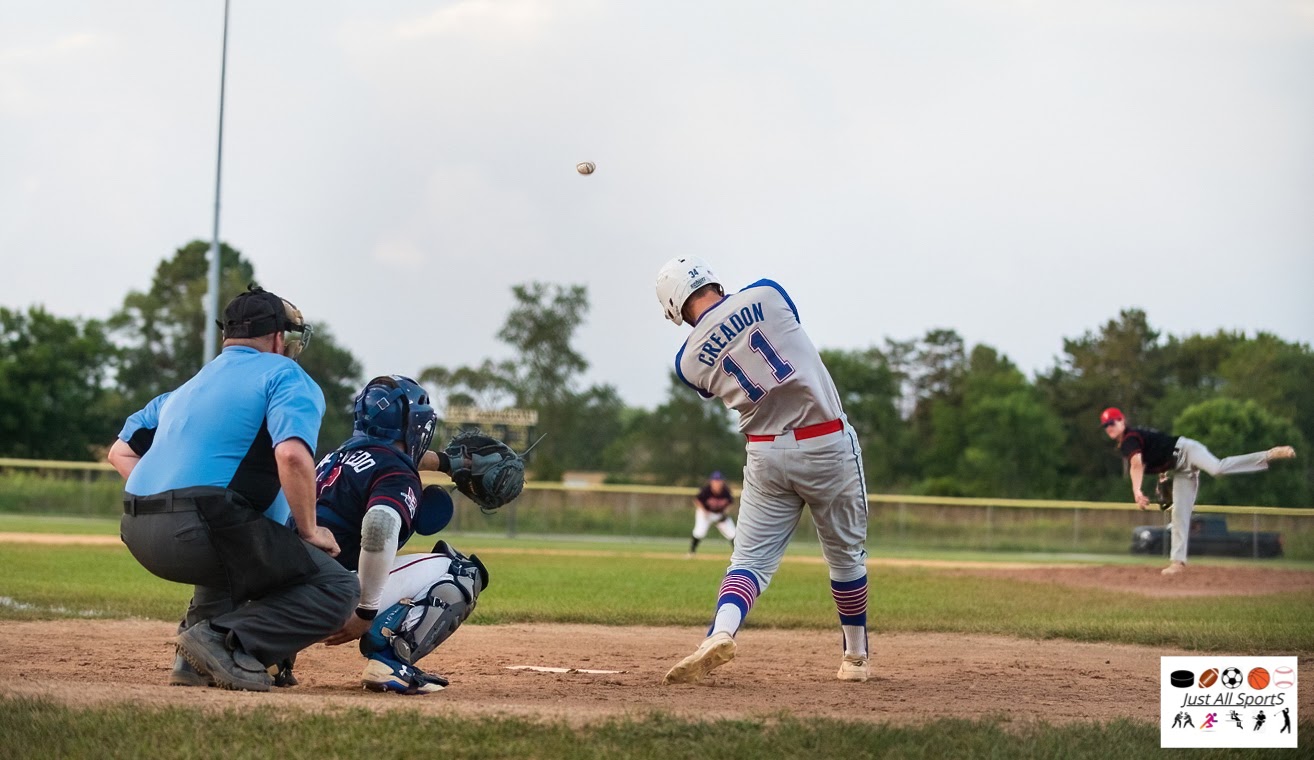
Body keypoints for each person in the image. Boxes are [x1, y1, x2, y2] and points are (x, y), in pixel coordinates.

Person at [107, 285, 359, 692]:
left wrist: (168, 501)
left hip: (136, 527)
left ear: (228, 337)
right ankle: (223, 641)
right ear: (279, 338)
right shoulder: (284, 373)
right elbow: (293, 457)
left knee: (235, 547)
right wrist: (310, 530)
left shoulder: (186, 388)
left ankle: (190, 664)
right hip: (199, 529)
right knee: (336, 587)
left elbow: (119, 452)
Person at [655, 257, 871, 684]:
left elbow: (714, 368)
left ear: (674, 308)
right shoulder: (767, 292)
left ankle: (719, 633)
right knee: (845, 559)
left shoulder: (687, 361)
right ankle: (856, 659)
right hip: (826, 441)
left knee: (748, 562)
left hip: (766, 454)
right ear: (711, 278)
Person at [306, 375, 489, 695]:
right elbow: (379, 527)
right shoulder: (393, 467)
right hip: (336, 598)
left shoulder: (333, 458)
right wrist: (365, 610)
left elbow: (394, 455)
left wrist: (449, 463)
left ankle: (273, 657)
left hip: (288, 600)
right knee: (461, 571)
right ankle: (390, 661)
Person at [1100, 406, 1296, 575]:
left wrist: (1137, 491)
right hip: (1179, 468)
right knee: (1179, 513)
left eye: (1113, 423)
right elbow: (1156, 452)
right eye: (1106, 425)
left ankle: (1268, 454)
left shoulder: (1129, 439)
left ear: (1122, 420)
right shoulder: (1131, 440)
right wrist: (1162, 477)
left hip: (1187, 450)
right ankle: (1177, 562)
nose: (1110, 427)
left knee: (1217, 468)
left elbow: (1136, 464)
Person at [688, 471, 736, 557]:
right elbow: (697, 500)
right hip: (705, 513)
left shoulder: (725, 491)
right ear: (711, 481)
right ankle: (691, 552)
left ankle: (738, 554)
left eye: (719, 481)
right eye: (715, 481)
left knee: (732, 533)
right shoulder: (706, 490)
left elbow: (730, 503)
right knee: (700, 531)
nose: (718, 483)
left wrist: (725, 513)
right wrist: (703, 511)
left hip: (719, 514)